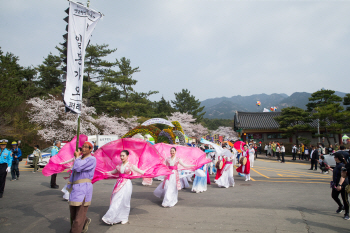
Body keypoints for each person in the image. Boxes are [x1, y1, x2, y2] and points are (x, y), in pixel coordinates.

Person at [103, 150, 145, 225]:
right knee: (115, 200)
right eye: (121, 156)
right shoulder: (119, 166)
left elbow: (140, 171)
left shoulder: (131, 165)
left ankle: (124, 217)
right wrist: (105, 172)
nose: (122, 157)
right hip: (118, 184)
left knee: (125, 201)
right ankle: (111, 217)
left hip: (126, 184)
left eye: (123, 156)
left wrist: (149, 173)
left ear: (127, 156)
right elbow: (113, 172)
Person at [68, 141, 96, 233]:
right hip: (75, 188)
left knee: (79, 215)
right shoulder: (79, 158)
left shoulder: (92, 159)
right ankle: (85, 221)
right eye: (82, 146)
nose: (83, 148)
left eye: (86, 147)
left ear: (90, 149)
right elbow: (73, 172)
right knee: (73, 213)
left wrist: (76, 158)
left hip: (84, 188)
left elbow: (78, 168)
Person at [328, 154, 349, 219]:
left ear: (336, 158)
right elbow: (336, 172)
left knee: (345, 199)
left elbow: (343, 176)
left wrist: (340, 185)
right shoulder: (337, 165)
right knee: (334, 196)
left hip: (343, 185)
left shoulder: (342, 166)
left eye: (334, 157)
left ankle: (347, 213)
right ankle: (341, 206)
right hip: (336, 184)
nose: (334, 158)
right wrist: (330, 168)